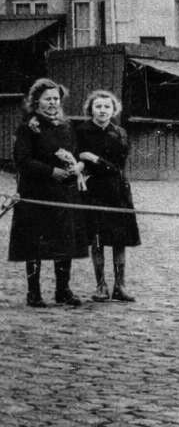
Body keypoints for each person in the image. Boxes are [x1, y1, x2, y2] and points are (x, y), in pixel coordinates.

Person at [9, 78, 87, 310]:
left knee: (64, 242)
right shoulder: (28, 127)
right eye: (48, 99)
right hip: (36, 194)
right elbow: (22, 160)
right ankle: (34, 293)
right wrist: (51, 171)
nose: (53, 103)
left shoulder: (66, 126)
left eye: (56, 99)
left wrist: (76, 167)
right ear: (36, 101)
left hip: (64, 195)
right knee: (34, 243)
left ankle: (63, 290)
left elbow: (76, 153)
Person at [75, 90, 140, 303]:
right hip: (95, 191)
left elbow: (117, 166)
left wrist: (93, 158)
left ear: (113, 110)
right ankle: (101, 285)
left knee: (120, 239)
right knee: (98, 239)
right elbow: (77, 158)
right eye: (98, 107)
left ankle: (120, 285)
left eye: (107, 107)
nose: (102, 111)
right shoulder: (82, 132)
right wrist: (84, 160)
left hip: (118, 190)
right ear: (90, 109)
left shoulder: (120, 132)